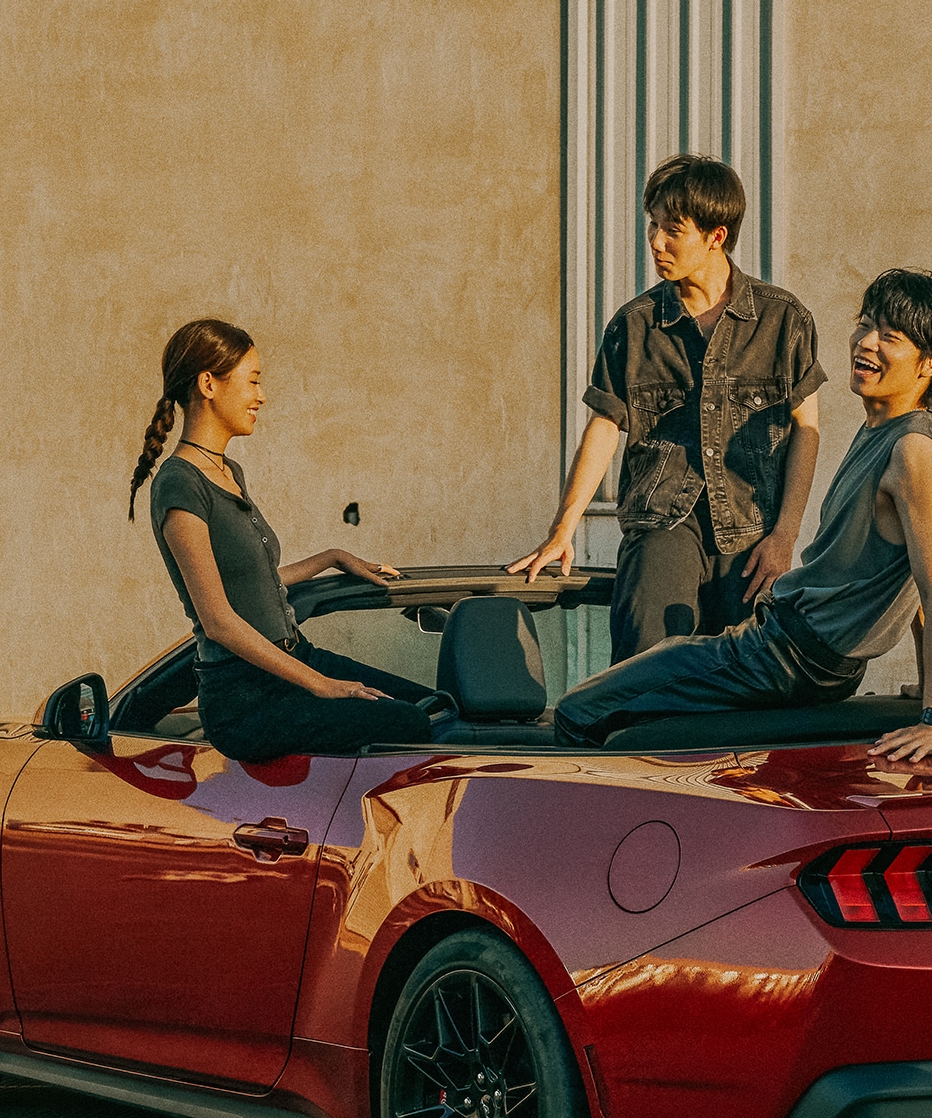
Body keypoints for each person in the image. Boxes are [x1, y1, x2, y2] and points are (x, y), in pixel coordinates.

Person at [552, 270, 932, 771]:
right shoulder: (881, 432)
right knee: (660, 713)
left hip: (791, 657)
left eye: (890, 337)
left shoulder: (914, 452)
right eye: (865, 325)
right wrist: (931, 686)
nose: (865, 343)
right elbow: (912, 584)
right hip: (784, 643)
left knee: (580, 710)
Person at [510, 154, 825, 661]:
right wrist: (563, 527)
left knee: (745, 679)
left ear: (716, 236)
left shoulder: (784, 320)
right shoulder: (634, 325)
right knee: (645, 669)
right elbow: (605, 424)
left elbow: (805, 431)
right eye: (652, 226)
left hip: (751, 538)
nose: (656, 242)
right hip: (660, 524)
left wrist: (785, 536)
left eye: (672, 231)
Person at [129, 318, 440, 762]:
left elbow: (252, 581)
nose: (261, 396)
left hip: (296, 657)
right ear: (208, 384)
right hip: (245, 699)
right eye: (253, 380)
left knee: (435, 707)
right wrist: (323, 686)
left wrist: (332, 556)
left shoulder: (229, 472)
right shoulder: (180, 483)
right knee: (406, 722)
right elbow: (218, 620)